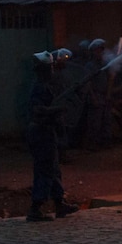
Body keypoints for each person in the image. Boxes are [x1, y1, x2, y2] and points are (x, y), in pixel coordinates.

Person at [25, 50, 79, 222]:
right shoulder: (38, 88)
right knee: (44, 170)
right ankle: (35, 207)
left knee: (54, 169)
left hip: (47, 132)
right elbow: (38, 110)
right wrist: (57, 109)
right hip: (40, 132)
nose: (52, 71)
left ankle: (59, 203)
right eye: (50, 69)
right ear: (44, 70)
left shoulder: (45, 87)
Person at [82, 38, 113, 150]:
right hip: (96, 95)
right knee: (95, 122)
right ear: (93, 51)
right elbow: (88, 83)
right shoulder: (89, 66)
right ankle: (92, 143)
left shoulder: (104, 64)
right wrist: (93, 97)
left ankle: (105, 142)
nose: (100, 53)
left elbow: (109, 79)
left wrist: (108, 94)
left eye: (101, 50)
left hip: (104, 95)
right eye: (98, 50)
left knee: (106, 120)